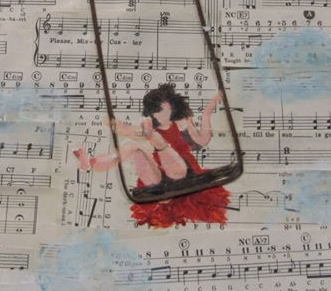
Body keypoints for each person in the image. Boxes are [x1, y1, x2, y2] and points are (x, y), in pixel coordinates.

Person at [73, 84, 231, 227]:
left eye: (165, 110)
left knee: (170, 160)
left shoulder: (180, 123)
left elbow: (203, 139)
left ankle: (157, 141)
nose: (162, 115)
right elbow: (124, 129)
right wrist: (108, 119)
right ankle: (91, 164)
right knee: (132, 146)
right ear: (152, 113)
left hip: (183, 172)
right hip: (159, 175)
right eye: (158, 111)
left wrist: (209, 109)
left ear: (172, 108)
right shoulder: (147, 128)